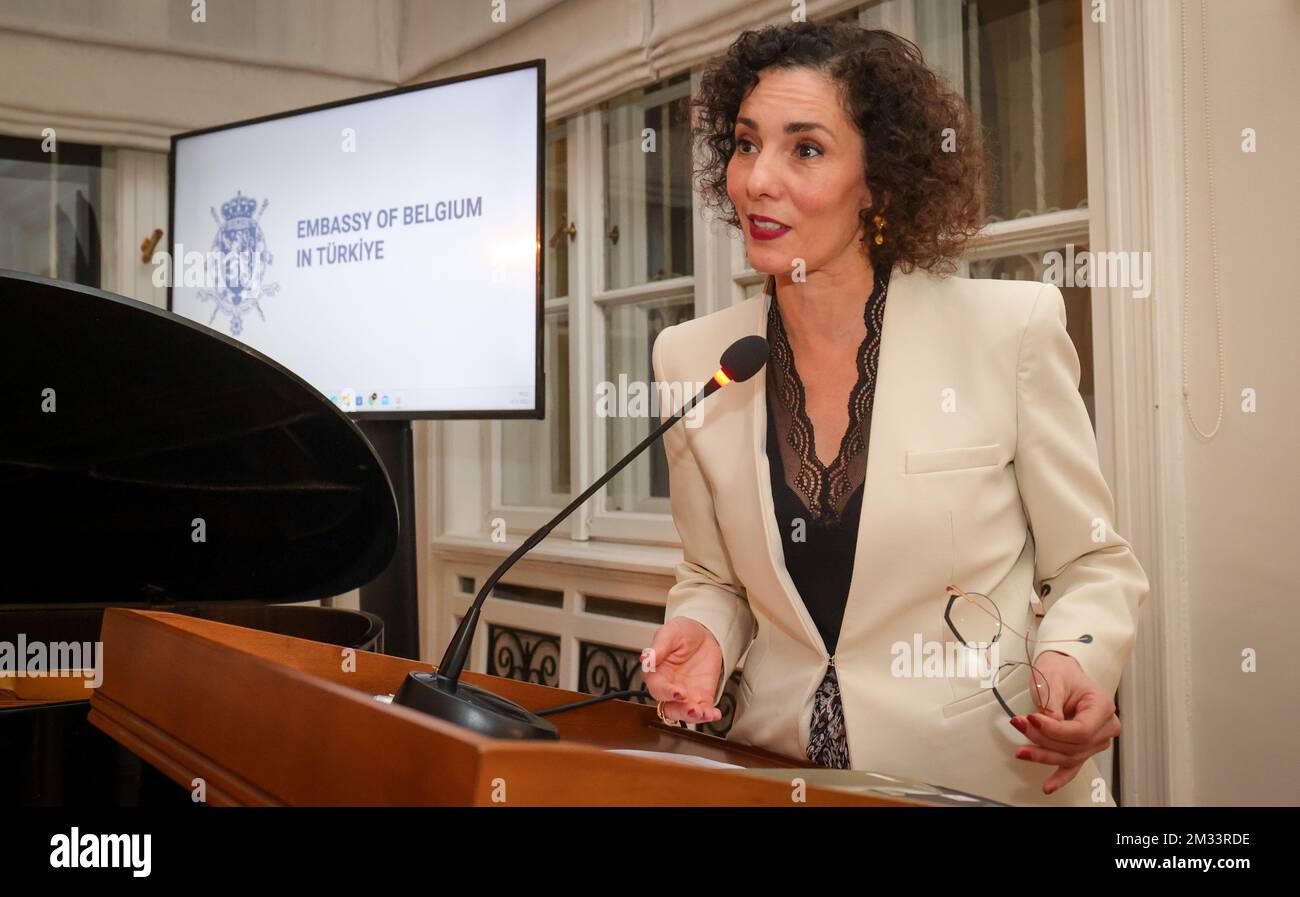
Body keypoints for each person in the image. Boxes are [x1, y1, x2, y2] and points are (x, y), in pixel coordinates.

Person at [642, 21, 1149, 807]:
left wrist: (1076, 657)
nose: (757, 180)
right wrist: (704, 633)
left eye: (804, 149)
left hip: (984, 775)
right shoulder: (691, 358)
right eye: (746, 145)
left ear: (879, 181)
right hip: (782, 774)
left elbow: (1091, 564)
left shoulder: (1008, 330)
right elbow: (714, 577)